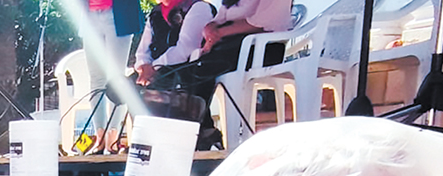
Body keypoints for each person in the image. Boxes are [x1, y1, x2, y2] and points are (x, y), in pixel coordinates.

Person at [148, 0, 292, 148]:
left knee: (200, 71)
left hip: (262, 46)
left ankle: (195, 135)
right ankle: (199, 132)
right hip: (230, 42)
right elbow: (220, 17)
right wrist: (210, 30)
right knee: (179, 73)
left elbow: (265, 22)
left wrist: (220, 32)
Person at [82, 0, 144, 152]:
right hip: (90, 14)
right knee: (96, 78)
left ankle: (113, 134)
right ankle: (100, 135)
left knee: (116, 79)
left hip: (117, 14)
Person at [134, 0, 218, 87]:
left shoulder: (199, 7)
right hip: (160, 81)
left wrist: (153, 67)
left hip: (190, 82)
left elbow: (185, 50)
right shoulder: (156, 13)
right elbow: (142, 52)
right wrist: (143, 65)